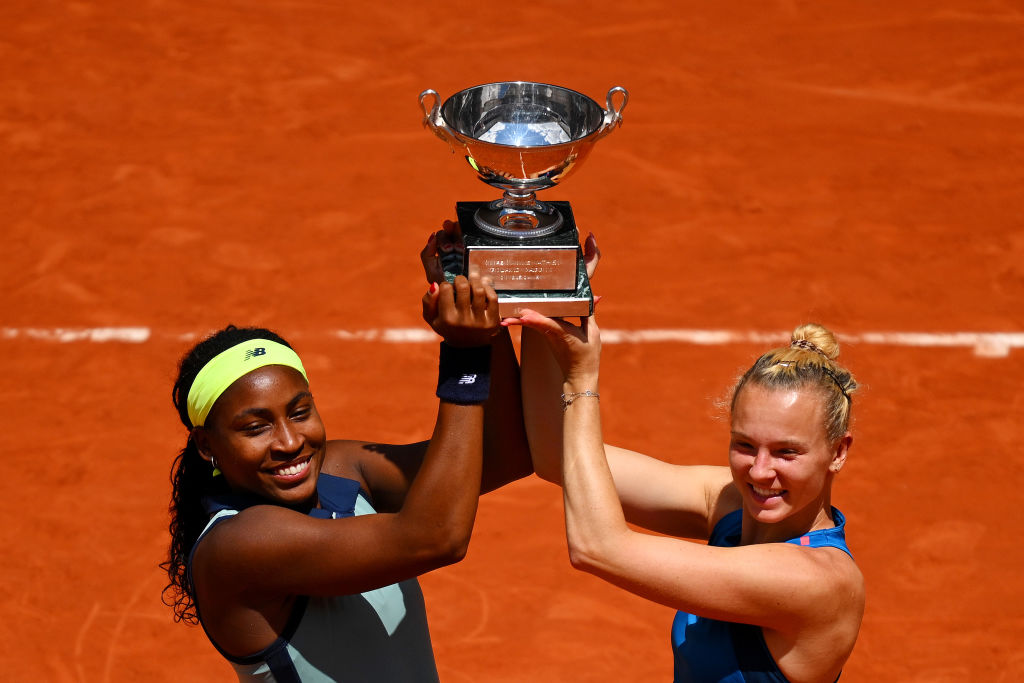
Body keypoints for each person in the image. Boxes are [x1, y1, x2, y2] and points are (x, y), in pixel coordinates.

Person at [161, 264, 532, 682]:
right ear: (206, 444)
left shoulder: (343, 469)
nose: (289, 442)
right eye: (256, 427)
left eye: (300, 412)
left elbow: (505, 454)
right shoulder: (238, 545)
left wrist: (480, 298)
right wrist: (465, 356)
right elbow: (435, 539)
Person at [509, 298, 865, 682]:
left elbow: (597, 547)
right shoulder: (733, 502)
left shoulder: (818, 583)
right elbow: (553, 453)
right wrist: (543, 295)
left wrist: (581, 383)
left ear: (838, 452)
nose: (760, 472)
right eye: (745, 445)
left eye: (786, 452)